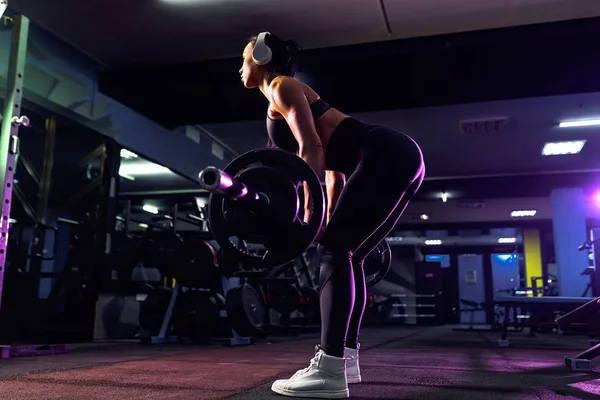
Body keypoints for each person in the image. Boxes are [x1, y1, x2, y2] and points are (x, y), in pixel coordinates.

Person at [239, 32, 425, 399]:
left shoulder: (281, 86)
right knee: (345, 252)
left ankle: (327, 370)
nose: (239, 67)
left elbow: (312, 148)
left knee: (334, 252)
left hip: (384, 153)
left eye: (243, 58)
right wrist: (325, 216)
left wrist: (311, 212)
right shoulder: (282, 92)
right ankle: (346, 359)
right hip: (397, 157)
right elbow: (333, 171)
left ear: (260, 57)